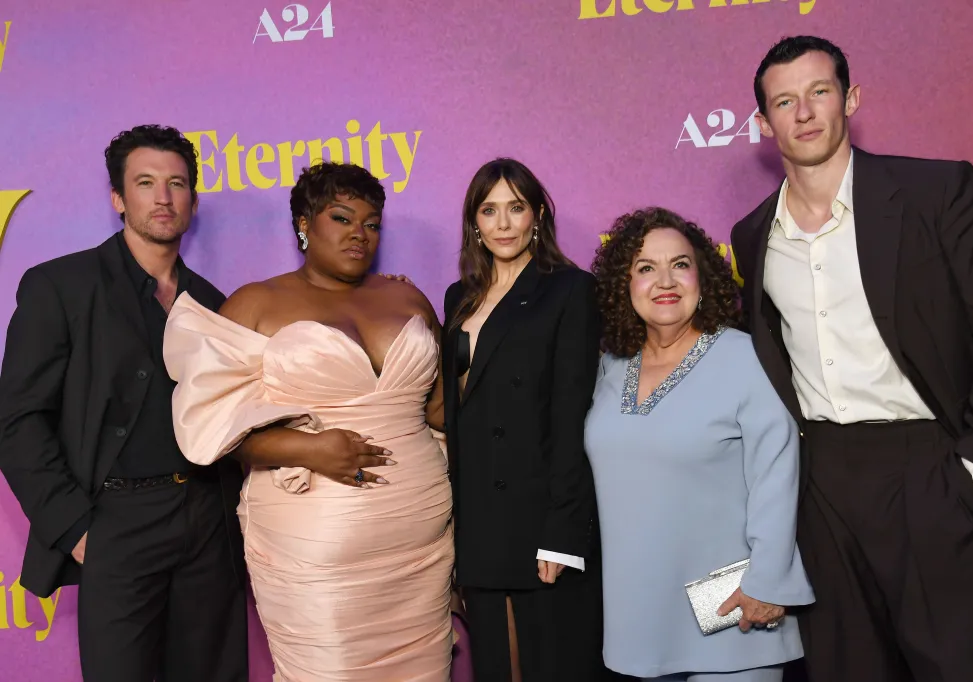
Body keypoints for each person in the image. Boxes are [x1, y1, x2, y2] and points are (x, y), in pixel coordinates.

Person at [730, 35, 973, 682]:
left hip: (932, 467)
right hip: (822, 482)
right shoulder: (754, 235)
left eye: (819, 92)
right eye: (784, 101)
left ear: (851, 99)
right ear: (763, 123)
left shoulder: (938, 192)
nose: (803, 112)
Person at [163, 161, 454, 682]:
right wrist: (308, 450)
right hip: (315, 549)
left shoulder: (407, 297)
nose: (359, 235)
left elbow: (440, 410)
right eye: (342, 219)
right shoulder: (256, 302)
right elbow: (214, 429)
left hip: (421, 542)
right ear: (304, 223)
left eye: (371, 223)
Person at [0, 125, 248, 682]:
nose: (163, 197)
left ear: (192, 199)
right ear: (118, 198)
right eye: (145, 182)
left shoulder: (212, 303)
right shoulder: (60, 286)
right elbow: (17, 422)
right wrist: (80, 531)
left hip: (209, 521)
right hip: (116, 523)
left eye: (177, 184)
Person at [585, 207, 813, 682]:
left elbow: (777, 474)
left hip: (734, 609)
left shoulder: (746, 356)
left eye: (680, 264)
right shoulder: (610, 366)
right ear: (623, 286)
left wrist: (768, 583)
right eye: (645, 268)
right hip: (639, 619)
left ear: (703, 277)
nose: (665, 280)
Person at [441, 158, 608, 682]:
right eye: (490, 211)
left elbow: (572, 415)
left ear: (537, 214)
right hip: (479, 518)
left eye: (516, 208)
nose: (504, 223)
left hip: (539, 513)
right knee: (495, 665)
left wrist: (562, 531)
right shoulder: (457, 296)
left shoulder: (570, 289)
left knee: (550, 664)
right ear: (475, 222)